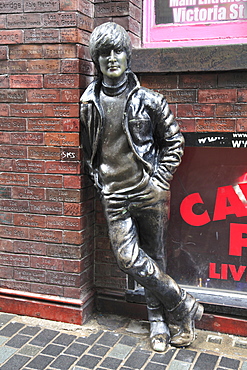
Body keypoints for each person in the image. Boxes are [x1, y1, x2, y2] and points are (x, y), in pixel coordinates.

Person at [80, 22, 203, 352]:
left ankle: (161, 323)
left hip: (149, 192)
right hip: (115, 196)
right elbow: (88, 148)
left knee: (154, 258)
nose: (111, 58)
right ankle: (183, 303)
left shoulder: (150, 100)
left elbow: (174, 142)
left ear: (128, 56)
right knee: (127, 259)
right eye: (104, 53)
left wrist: (159, 180)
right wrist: (100, 181)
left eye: (117, 50)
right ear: (96, 60)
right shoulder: (89, 103)